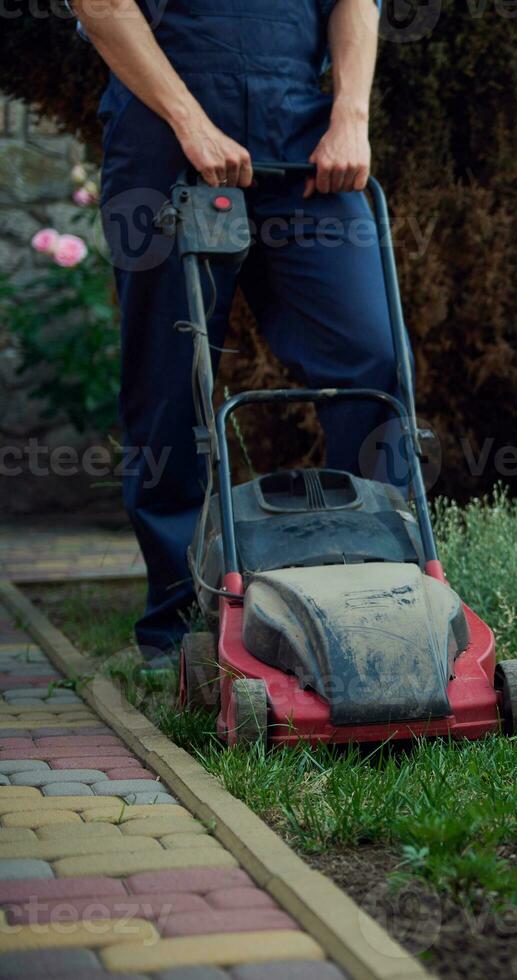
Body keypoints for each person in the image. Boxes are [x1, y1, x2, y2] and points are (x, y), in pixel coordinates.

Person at [75, 0, 396, 666]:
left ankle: (379, 580)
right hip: (164, 142)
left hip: (305, 139)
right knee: (169, 381)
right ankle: (179, 621)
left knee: (371, 354)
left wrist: (350, 118)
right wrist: (190, 123)